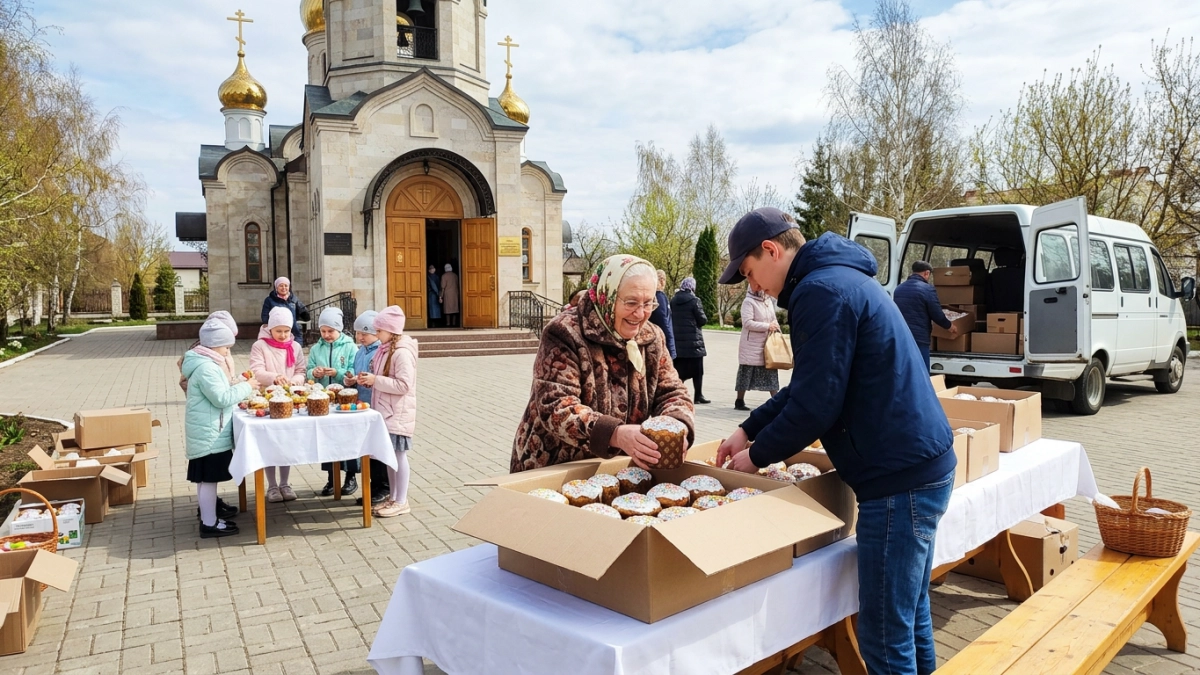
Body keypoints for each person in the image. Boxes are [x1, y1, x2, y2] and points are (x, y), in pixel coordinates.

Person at [714, 207, 955, 675]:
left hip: (898, 479)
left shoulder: (818, 291)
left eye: (749, 272)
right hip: (919, 465)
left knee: (883, 637)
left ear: (771, 250)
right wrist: (748, 428)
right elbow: (810, 388)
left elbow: (815, 406)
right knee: (910, 617)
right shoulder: (835, 277)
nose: (754, 286)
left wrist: (756, 457)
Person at [511, 254, 695, 473]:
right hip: (556, 465)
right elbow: (556, 404)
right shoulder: (564, 332)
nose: (640, 313)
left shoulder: (652, 337)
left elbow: (672, 391)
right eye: (631, 302)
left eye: (648, 303)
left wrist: (677, 424)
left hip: (618, 467)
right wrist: (615, 434)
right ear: (606, 296)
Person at [182, 317, 254, 538]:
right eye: (226, 347)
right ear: (214, 345)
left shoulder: (205, 364)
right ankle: (209, 523)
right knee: (208, 480)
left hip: (207, 432)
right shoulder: (207, 368)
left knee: (205, 480)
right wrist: (247, 386)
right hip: (210, 435)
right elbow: (222, 398)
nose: (227, 352)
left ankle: (209, 517)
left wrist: (238, 382)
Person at [357, 306, 418, 517]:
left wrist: (376, 380)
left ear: (391, 331)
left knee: (398, 457)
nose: (376, 334)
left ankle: (401, 500)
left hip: (397, 413)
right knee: (390, 458)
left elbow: (403, 385)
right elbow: (382, 378)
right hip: (386, 412)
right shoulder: (385, 350)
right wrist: (369, 380)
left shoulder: (401, 353)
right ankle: (393, 498)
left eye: (379, 330)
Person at [249, 307, 308, 503]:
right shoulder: (260, 345)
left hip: (289, 400)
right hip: (268, 399)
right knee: (269, 443)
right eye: (278, 331)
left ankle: (284, 483)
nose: (283, 335)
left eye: (286, 331)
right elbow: (256, 371)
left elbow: (300, 370)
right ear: (270, 329)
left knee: (285, 443)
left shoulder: (295, 346)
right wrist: (275, 377)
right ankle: (272, 485)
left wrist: (295, 381)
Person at [307, 307, 360, 496]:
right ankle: (332, 478)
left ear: (339, 329)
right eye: (323, 331)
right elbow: (309, 369)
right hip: (324, 402)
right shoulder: (316, 348)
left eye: (331, 331)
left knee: (348, 438)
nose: (326, 335)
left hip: (346, 400)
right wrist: (314, 373)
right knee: (328, 440)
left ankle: (350, 477)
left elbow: (353, 370)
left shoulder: (350, 347)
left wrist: (338, 373)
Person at [345, 311, 390, 507]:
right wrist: (351, 380)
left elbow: (381, 378)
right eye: (358, 333)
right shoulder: (360, 351)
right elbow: (358, 374)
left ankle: (384, 487)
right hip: (362, 405)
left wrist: (369, 380)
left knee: (378, 449)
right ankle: (373, 486)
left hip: (376, 405)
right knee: (368, 450)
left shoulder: (380, 351)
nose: (360, 337)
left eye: (365, 333)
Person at [895, 260, 956, 370]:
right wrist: (949, 326)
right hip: (919, 338)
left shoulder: (899, 289)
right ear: (927, 273)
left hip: (901, 336)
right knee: (922, 370)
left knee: (905, 370)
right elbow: (936, 314)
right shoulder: (927, 289)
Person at [734, 288, 780, 410]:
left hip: (767, 343)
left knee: (771, 371)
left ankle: (776, 401)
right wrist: (767, 326)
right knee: (746, 372)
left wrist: (776, 326)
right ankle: (739, 400)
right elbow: (747, 323)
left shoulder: (768, 301)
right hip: (751, 345)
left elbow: (773, 318)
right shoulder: (748, 301)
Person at [670, 276, 709, 404]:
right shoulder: (695, 300)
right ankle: (698, 396)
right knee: (697, 371)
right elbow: (702, 320)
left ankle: (677, 394)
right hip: (694, 343)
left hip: (678, 342)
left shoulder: (673, 300)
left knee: (679, 371)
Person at [178, 310, 239, 393]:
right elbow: (219, 395)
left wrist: (234, 381)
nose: (227, 349)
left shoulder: (218, 349)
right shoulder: (204, 356)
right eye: (226, 346)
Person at [260, 277, 311, 346]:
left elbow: (302, 309)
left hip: (293, 329)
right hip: (277, 329)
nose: (284, 288)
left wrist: (305, 315)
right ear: (276, 287)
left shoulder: (294, 299)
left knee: (296, 349)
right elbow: (265, 314)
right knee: (280, 349)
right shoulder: (269, 300)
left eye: (286, 285)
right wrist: (266, 324)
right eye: (281, 286)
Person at [649, 269, 676, 360]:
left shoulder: (652, 295)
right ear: (662, 281)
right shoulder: (659, 296)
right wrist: (671, 346)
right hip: (661, 339)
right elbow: (663, 320)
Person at [440, 263, 460, 327]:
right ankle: (454, 323)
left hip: (447, 294)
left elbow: (443, 287)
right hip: (455, 293)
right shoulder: (455, 275)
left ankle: (448, 324)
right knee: (454, 309)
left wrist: (441, 296)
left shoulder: (444, 276)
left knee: (447, 310)